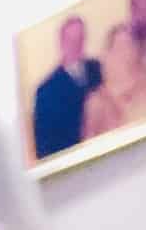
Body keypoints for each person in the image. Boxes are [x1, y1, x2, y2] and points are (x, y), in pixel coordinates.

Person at [31, 14, 103, 158]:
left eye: (80, 38)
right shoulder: (46, 91)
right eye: (71, 40)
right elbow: (43, 148)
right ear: (61, 42)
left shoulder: (98, 68)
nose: (76, 45)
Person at [84, 22, 146, 140]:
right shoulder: (96, 100)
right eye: (119, 47)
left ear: (137, 50)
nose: (126, 52)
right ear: (109, 53)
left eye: (130, 45)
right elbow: (89, 142)